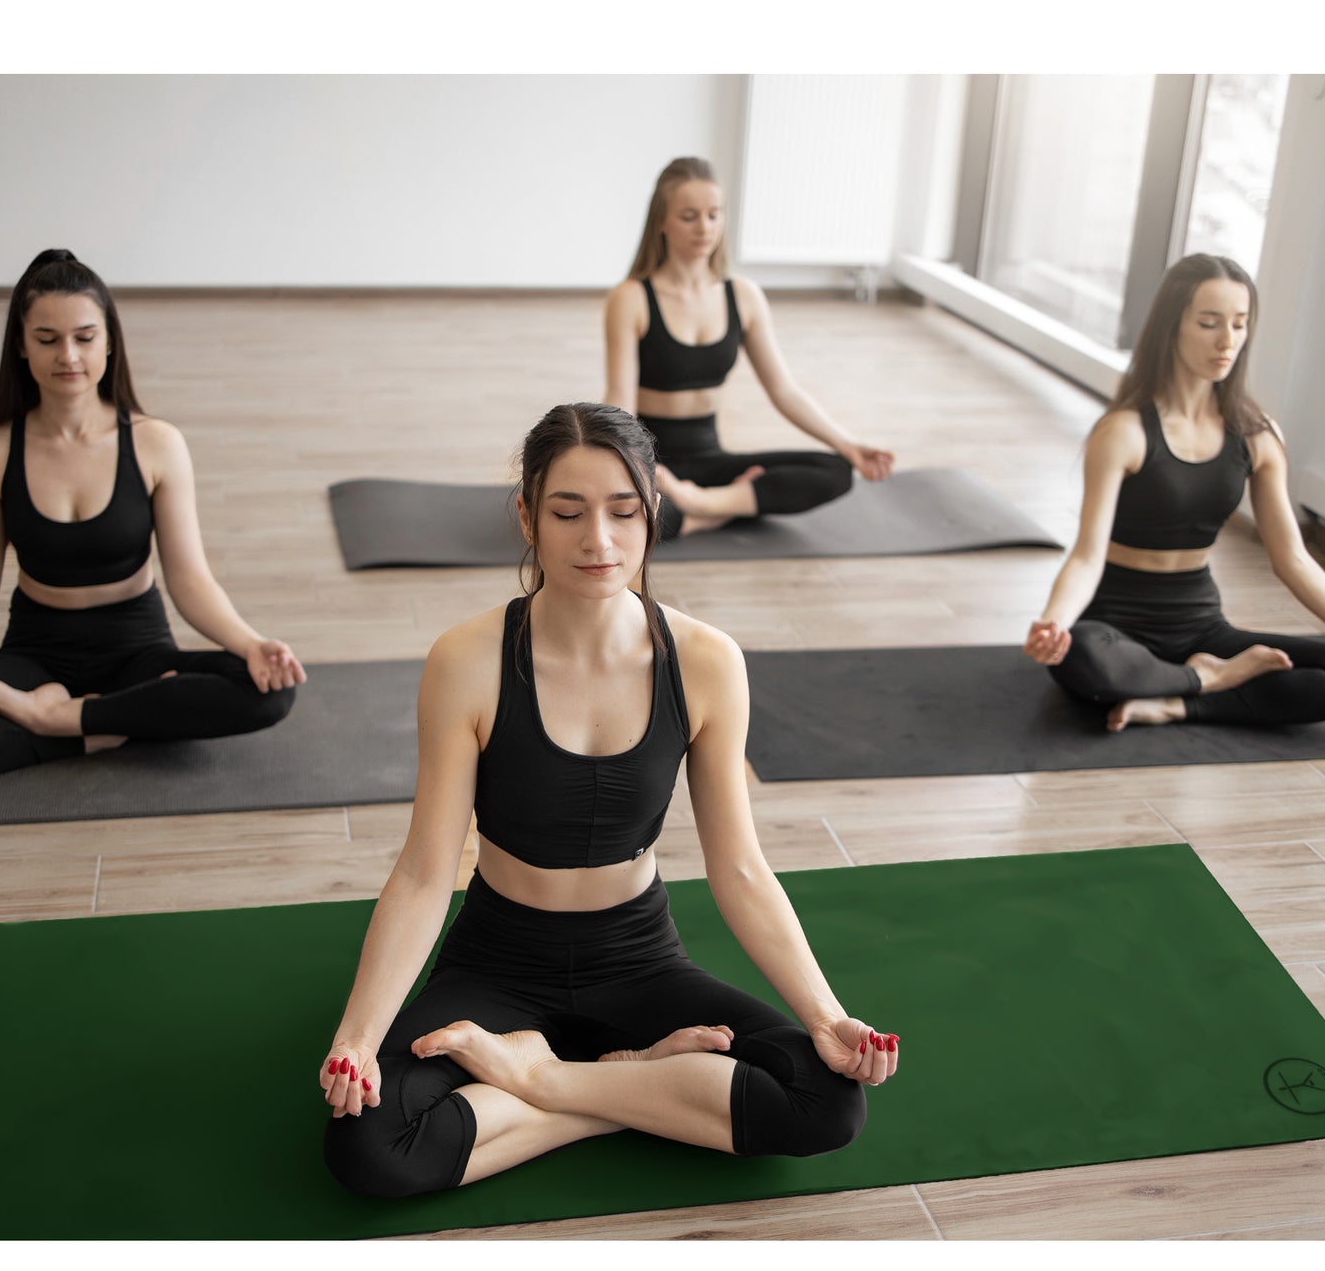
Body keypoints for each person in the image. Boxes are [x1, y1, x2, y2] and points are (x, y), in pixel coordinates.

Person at [320, 402, 897, 1198]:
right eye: (568, 512)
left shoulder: (705, 660)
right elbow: (423, 874)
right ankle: (637, 1084)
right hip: (498, 958)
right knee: (369, 1145)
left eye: (625, 512)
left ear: (654, 515)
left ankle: (551, 1079)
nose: (599, 540)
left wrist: (828, 1017)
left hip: (635, 956)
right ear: (526, 515)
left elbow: (739, 867)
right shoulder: (467, 660)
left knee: (826, 1101)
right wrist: (356, 1035)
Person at [0, 249, 304, 792]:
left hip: (137, 649)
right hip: (37, 652)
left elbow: (190, 580)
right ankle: (108, 725)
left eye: (84, 337)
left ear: (110, 340)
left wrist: (250, 643)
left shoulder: (156, 443)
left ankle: (54, 719)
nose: (67, 355)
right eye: (47, 339)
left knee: (270, 689)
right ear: (21, 345)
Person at [1025, 253, 1325, 731]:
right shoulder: (1125, 432)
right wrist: (1054, 622)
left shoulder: (1257, 436)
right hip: (1116, 622)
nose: (1227, 341)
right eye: (1209, 323)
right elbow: (1086, 556)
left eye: (1240, 325)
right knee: (1084, 661)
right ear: (1171, 327)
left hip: (1200, 624)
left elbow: (1292, 560)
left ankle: (1181, 699)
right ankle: (1207, 680)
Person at [603, 156, 895, 539]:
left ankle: (702, 505)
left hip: (710, 460)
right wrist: (641, 468)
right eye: (689, 216)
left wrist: (848, 444)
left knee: (836, 471)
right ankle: (725, 508)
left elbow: (784, 390)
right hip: (653, 460)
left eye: (714, 214)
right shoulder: (632, 298)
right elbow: (619, 399)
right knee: (619, 516)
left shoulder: (744, 296)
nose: (704, 227)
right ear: (662, 222)